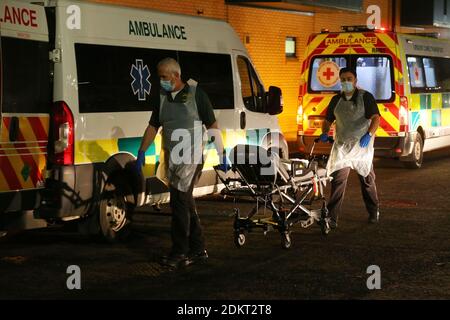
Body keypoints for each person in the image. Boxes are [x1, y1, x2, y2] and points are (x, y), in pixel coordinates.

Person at [135, 57, 229, 269]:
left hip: (192, 157)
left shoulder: (197, 95)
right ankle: (198, 248)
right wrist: (142, 151)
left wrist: (222, 153)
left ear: (176, 76)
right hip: (173, 156)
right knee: (185, 202)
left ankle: (180, 252)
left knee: (178, 201)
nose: (161, 82)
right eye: (159, 78)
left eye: (164, 77)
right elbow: (153, 126)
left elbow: (212, 125)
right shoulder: (161, 97)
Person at [320, 67, 380, 229]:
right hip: (342, 147)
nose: (346, 82)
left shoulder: (365, 97)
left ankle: (373, 211)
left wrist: (369, 134)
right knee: (338, 182)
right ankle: (332, 218)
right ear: (340, 81)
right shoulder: (336, 100)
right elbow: (327, 120)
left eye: (349, 79)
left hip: (362, 147)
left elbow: (376, 118)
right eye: (343, 79)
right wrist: (325, 132)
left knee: (367, 180)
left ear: (355, 81)